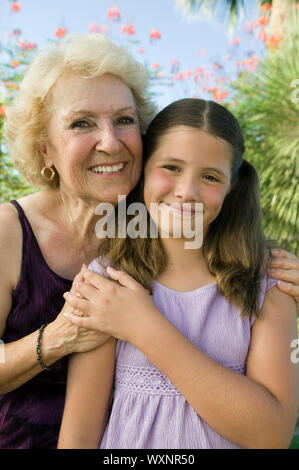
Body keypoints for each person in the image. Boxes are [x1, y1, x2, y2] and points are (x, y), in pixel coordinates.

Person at [58, 99, 299, 449]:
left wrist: (144, 326)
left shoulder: (268, 283)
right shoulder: (106, 283)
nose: (188, 191)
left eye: (211, 176)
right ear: (142, 172)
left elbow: (272, 435)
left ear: (232, 189)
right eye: (171, 167)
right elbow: (78, 436)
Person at [0, 33, 156, 449]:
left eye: (124, 120)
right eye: (81, 123)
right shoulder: (8, 232)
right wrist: (58, 338)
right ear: (44, 150)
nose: (111, 141)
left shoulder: (149, 223)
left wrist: (274, 275)